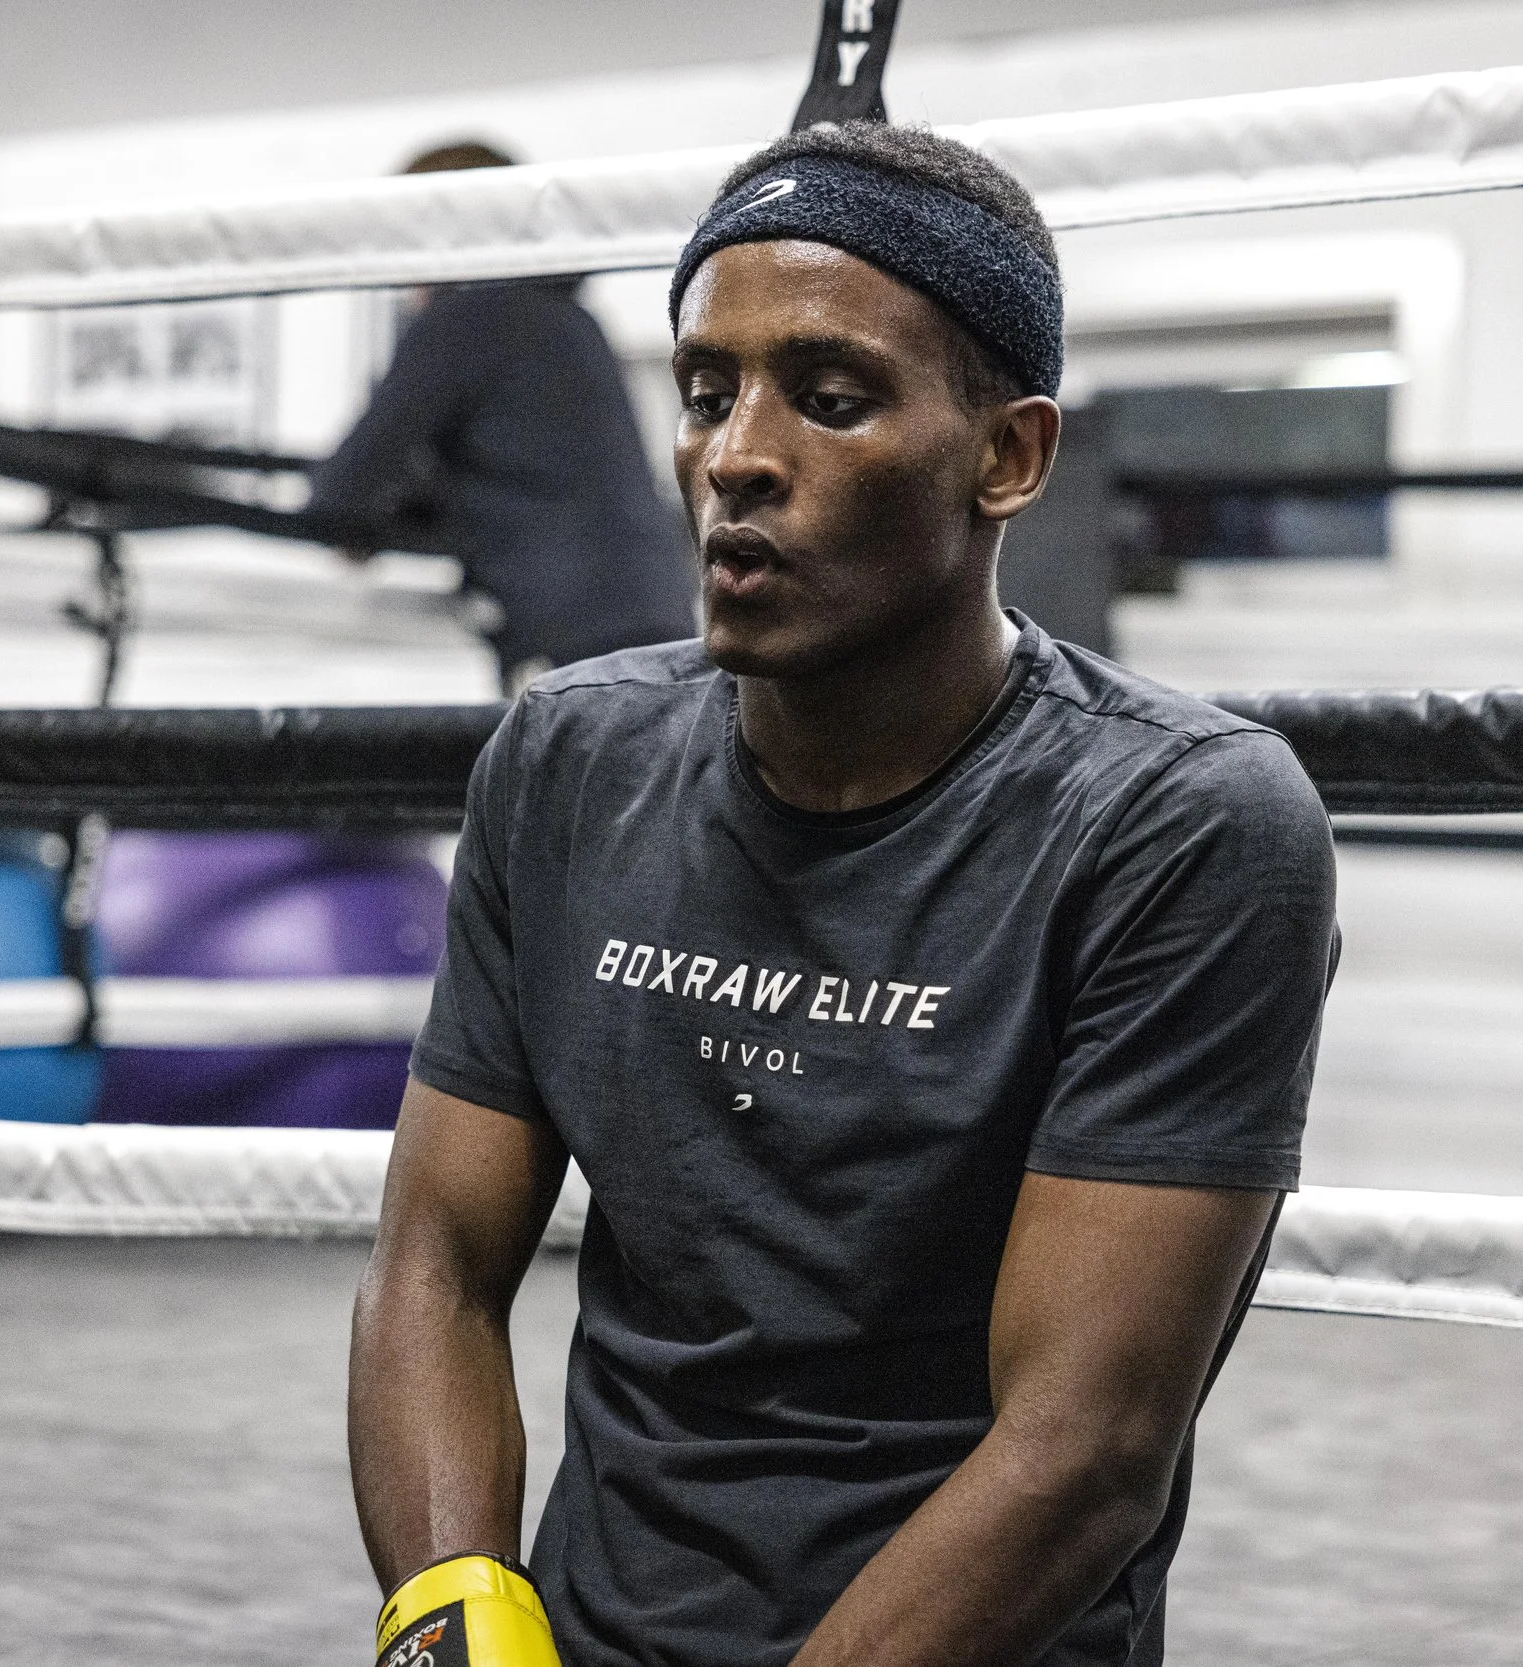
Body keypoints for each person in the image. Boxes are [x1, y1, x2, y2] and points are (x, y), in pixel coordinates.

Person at [349, 122, 1338, 1667]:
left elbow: (1082, 1451)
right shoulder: (568, 759)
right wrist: (454, 1614)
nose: (736, 453)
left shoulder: (1177, 820)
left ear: (1007, 456)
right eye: (704, 389)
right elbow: (437, 1262)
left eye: (830, 397)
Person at [305, 142, 694, 693]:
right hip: (656, 616)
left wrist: (365, 521)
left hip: (569, 637)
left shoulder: (466, 320)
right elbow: (523, 470)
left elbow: (342, 491)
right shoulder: (570, 318)